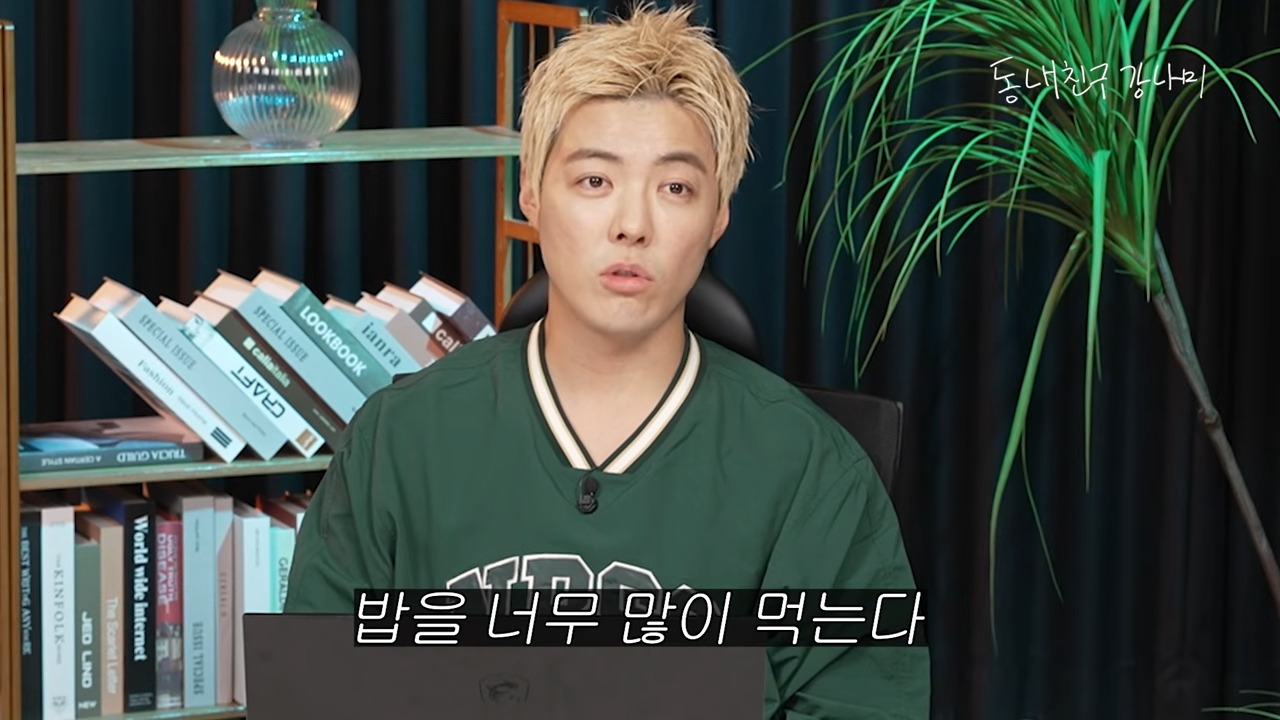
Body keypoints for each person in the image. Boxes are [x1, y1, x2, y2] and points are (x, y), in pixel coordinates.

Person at [284, 2, 930, 717]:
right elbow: (316, 694)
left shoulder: (812, 470)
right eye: (595, 180)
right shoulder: (398, 440)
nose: (632, 224)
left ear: (718, 215)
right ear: (532, 193)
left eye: (676, 188)